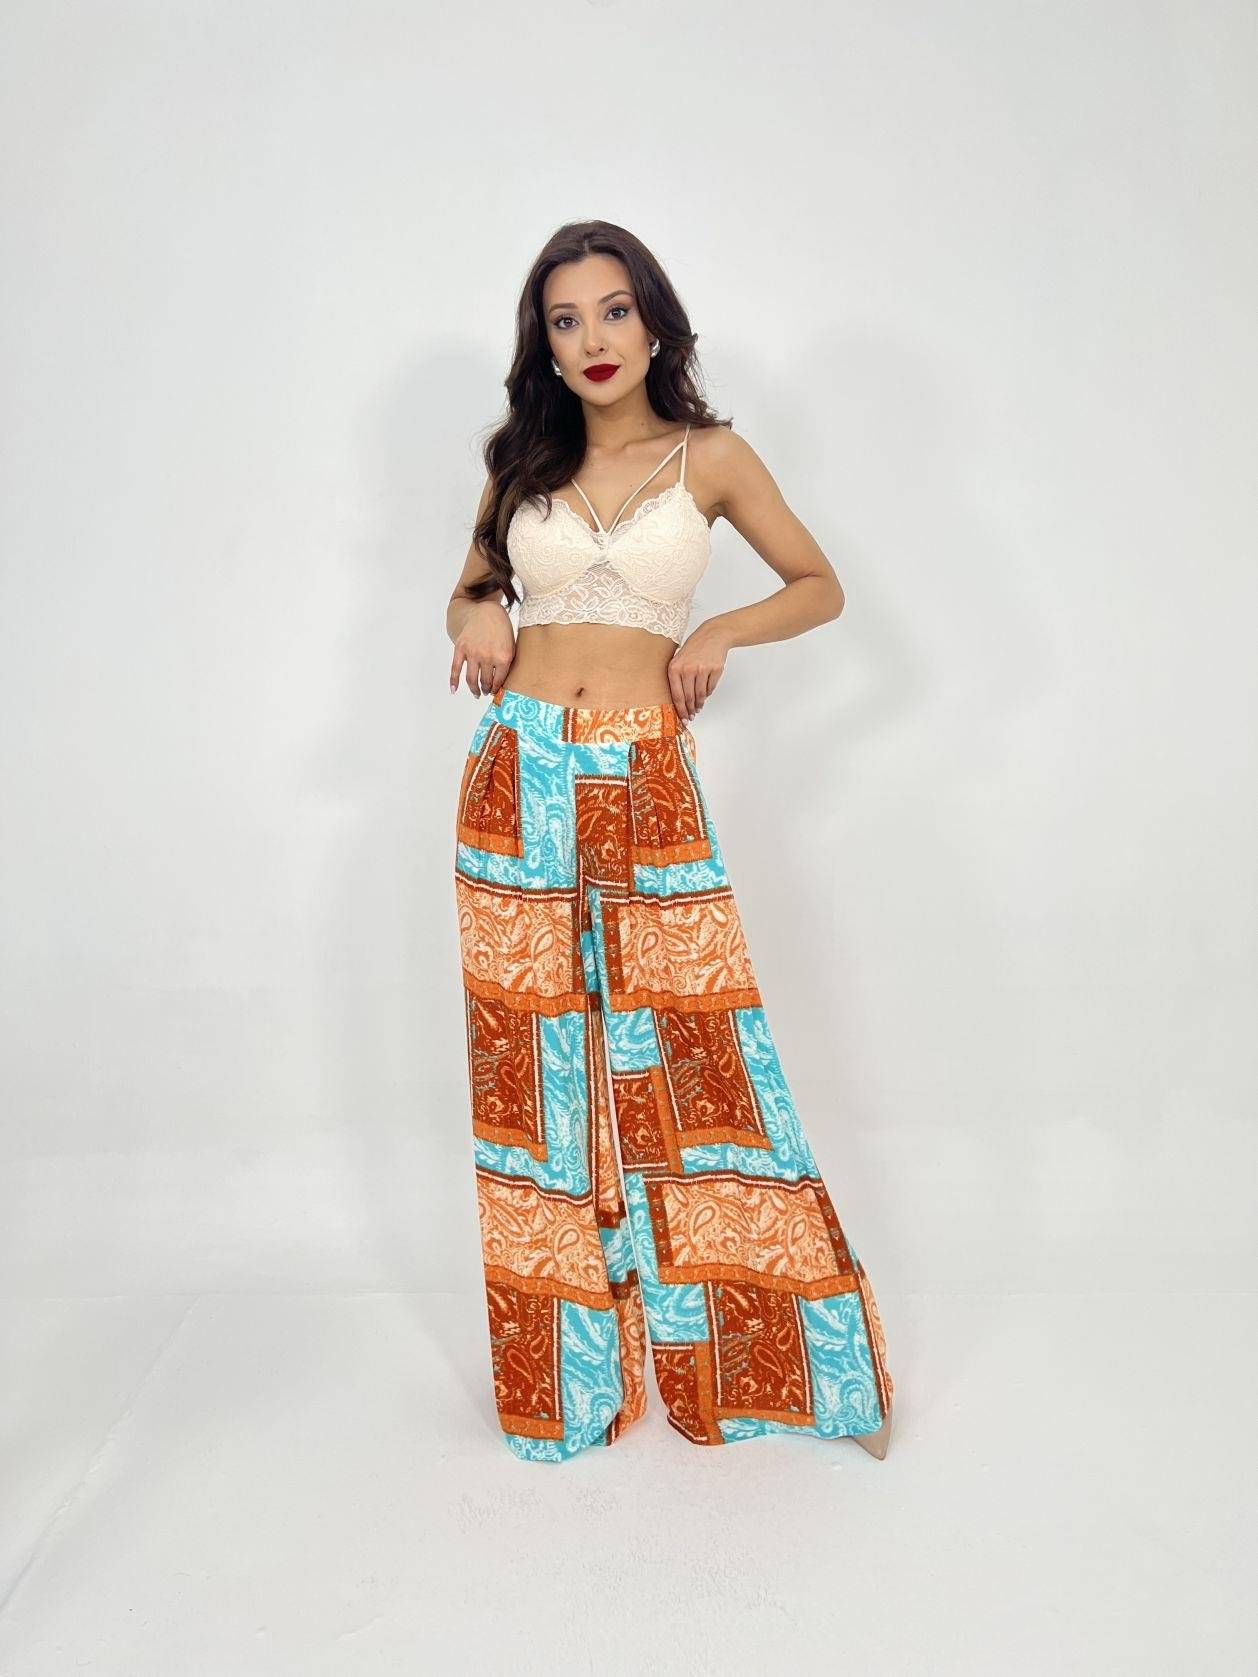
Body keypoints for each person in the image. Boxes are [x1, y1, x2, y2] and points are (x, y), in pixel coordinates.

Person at [447, 219, 895, 1463]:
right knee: (532, 1083)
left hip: (645, 771)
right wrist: (476, 614)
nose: (592, 339)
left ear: (653, 323)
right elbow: (471, 586)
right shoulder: (521, 461)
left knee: (699, 1055)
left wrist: (718, 633)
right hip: (516, 773)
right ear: (544, 345)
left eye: (613, 311)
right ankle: (562, 1389)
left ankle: (789, 1368)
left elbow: (820, 584)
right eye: (565, 320)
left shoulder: (713, 457)